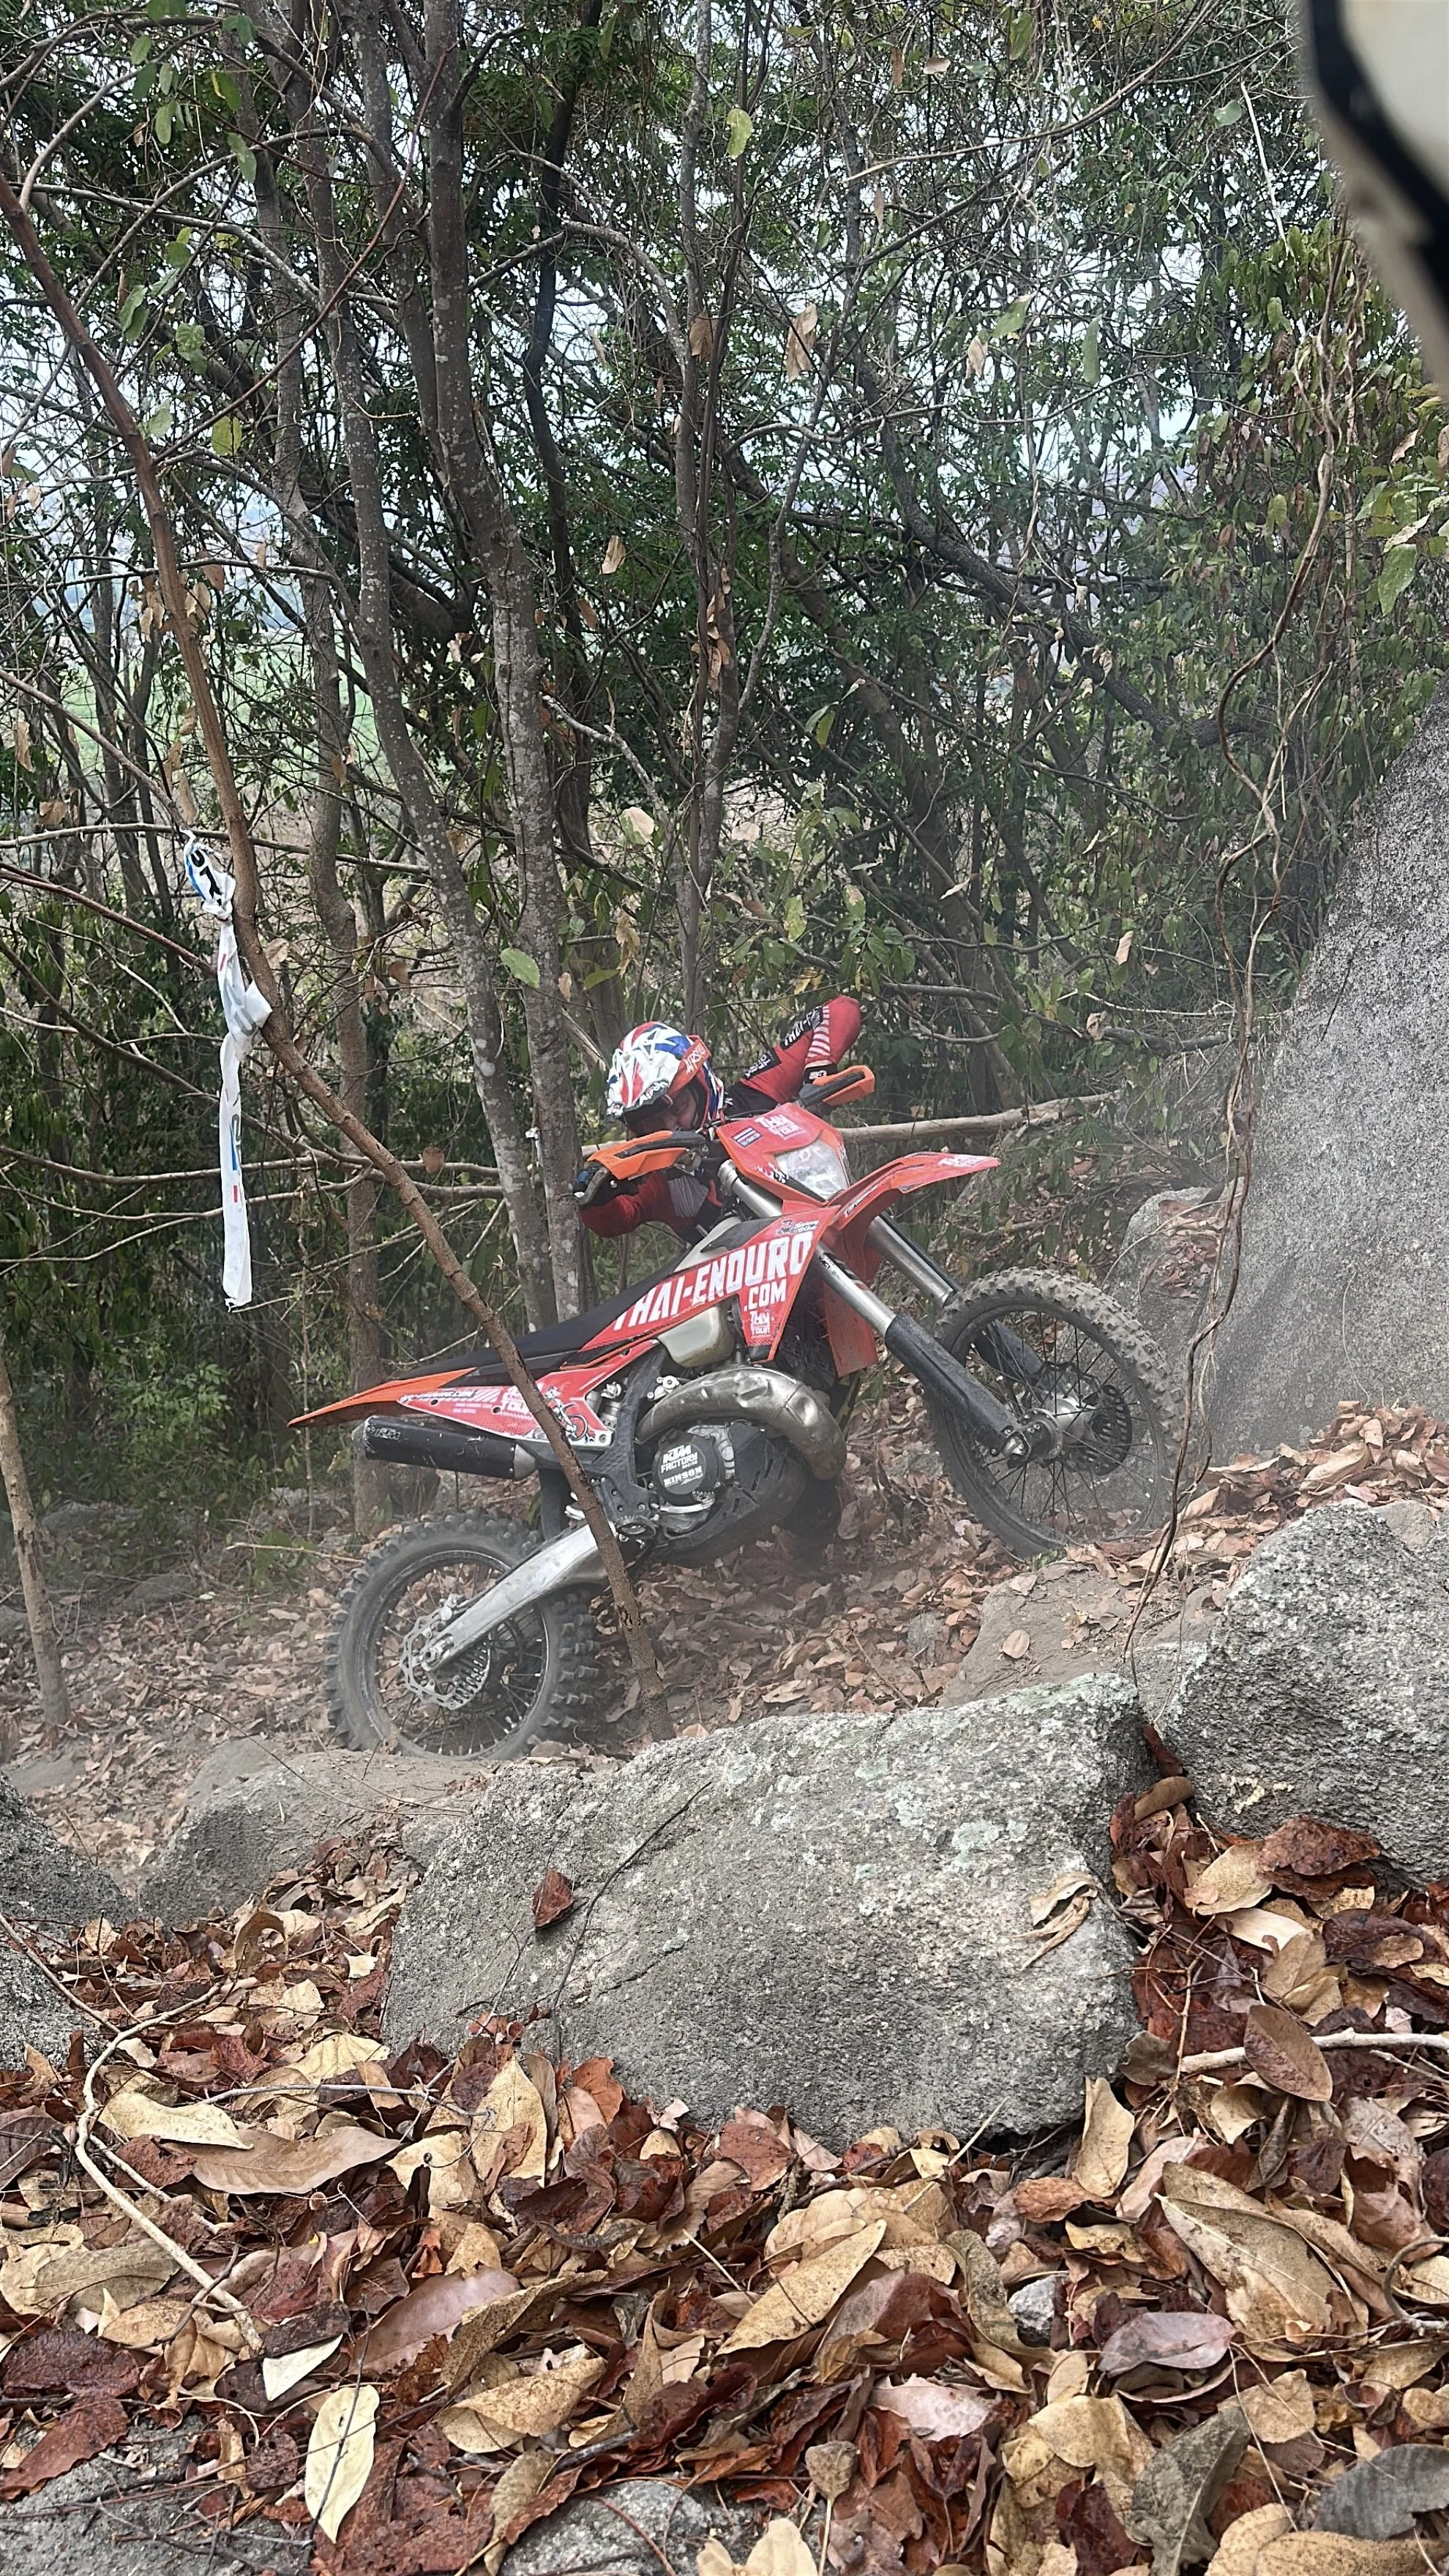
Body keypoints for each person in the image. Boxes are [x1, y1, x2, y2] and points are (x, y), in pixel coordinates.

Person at [573, 998, 862, 1243]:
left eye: (679, 1108)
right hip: (744, 1300)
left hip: (820, 1228)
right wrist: (596, 1196)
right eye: (652, 1124)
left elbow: (839, 1009)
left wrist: (818, 1070)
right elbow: (617, 1219)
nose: (672, 1127)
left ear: (702, 1087)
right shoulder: (664, 1185)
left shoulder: (757, 1093)